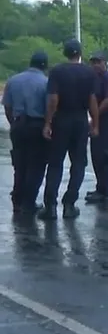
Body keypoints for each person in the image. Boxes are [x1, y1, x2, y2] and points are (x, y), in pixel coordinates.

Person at [39, 39, 99, 220]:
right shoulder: (89, 73)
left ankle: (50, 207)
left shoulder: (57, 71)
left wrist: (48, 123)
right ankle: (69, 204)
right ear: (80, 54)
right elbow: (92, 101)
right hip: (80, 120)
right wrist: (95, 124)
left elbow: (53, 100)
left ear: (65, 53)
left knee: (55, 163)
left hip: (61, 120)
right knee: (79, 163)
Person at [2, 51, 50, 214]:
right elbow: (49, 108)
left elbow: (7, 106)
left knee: (20, 165)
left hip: (18, 125)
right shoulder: (45, 82)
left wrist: (13, 123)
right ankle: (29, 202)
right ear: (45, 65)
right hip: (37, 126)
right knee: (36, 166)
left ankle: (17, 200)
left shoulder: (13, 80)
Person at [85, 52, 108, 205]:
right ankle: (100, 188)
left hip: (106, 122)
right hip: (96, 121)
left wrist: (95, 115)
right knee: (96, 157)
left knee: (105, 157)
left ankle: (106, 192)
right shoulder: (93, 79)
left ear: (105, 63)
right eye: (92, 62)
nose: (95, 65)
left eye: (97, 62)